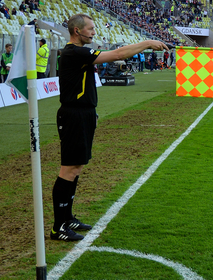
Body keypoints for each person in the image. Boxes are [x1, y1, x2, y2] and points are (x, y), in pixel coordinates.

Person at [50, 14, 168, 242]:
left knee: (77, 168)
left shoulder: (80, 53)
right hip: (73, 114)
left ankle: (67, 217)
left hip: (83, 113)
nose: (93, 32)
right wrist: (147, 43)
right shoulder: (75, 52)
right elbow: (118, 55)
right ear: (77, 31)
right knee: (68, 169)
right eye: (90, 29)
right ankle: (59, 226)